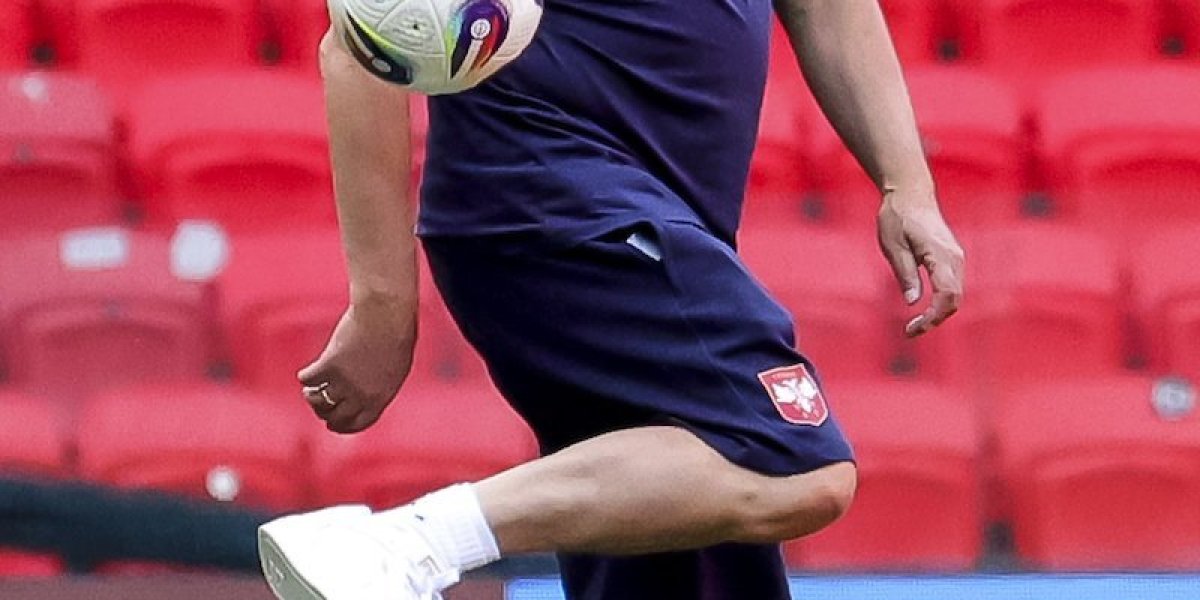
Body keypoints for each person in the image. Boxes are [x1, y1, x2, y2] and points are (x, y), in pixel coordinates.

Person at [257, 1, 965, 599]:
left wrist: (907, 184)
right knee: (788, 458)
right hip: (555, 201)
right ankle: (406, 544)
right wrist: (383, 303)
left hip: (654, 225)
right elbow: (362, 34)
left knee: (692, 557)